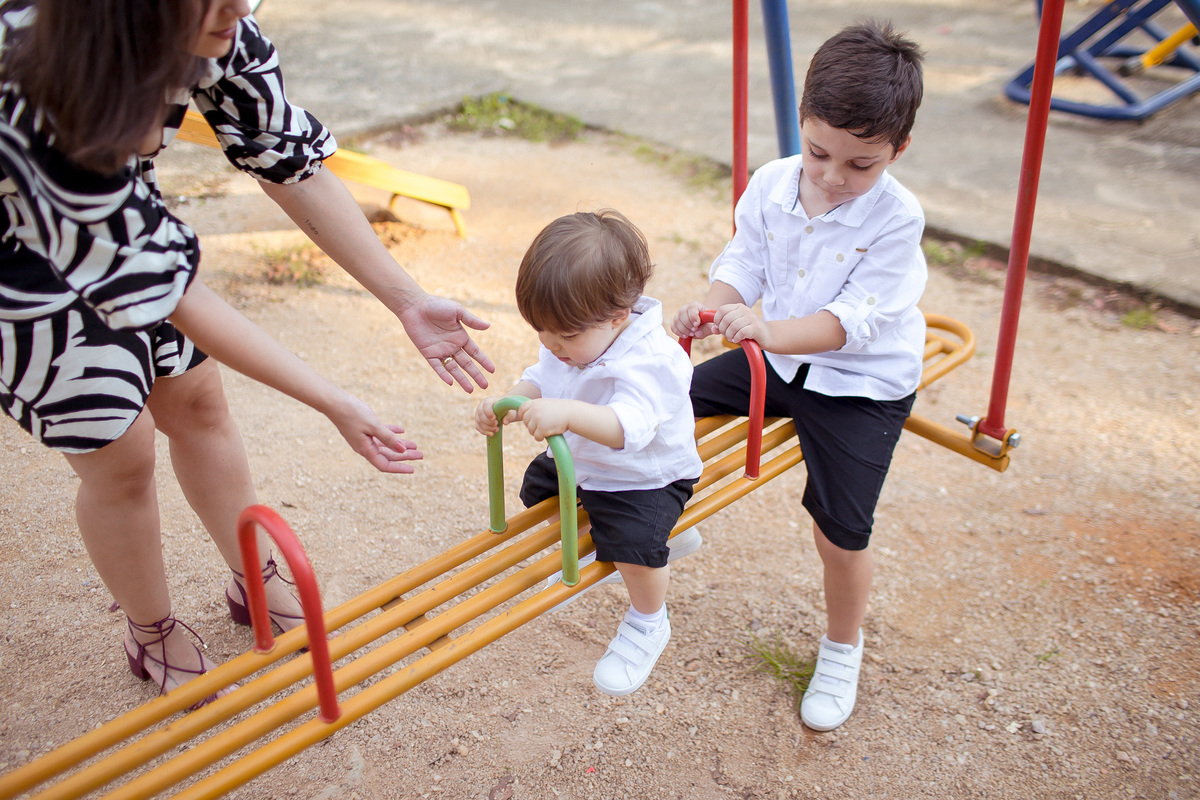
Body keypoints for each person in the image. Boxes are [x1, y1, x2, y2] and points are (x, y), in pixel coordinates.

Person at [0, 0, 494, 707]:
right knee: (120, 451)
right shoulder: (36, 81)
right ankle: (151, 628)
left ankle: (255, 579)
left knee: (198, 401)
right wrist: (333, 401)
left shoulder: (217, 22)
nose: (240, 6)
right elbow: (177, 293)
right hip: (19, 267)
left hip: (123, 213)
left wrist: (407, 300)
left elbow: (287, 159)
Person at [671, 20, 926, 731]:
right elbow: (745, 260)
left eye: (861, 164)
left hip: (860, 382)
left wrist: (766, 330)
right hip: (777, 359)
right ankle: (665, 520)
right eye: (819, 152)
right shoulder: (773, 183)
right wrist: (715, 308)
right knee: (666, 400)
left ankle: (842, 647)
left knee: (840, 530)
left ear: (898, 151)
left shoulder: (898, 219)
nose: (833, 176)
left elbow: (851, 321)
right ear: (804, 123)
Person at [475, 210, 702, 696]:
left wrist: (568, 413)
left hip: (643, 476)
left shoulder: (653, 360)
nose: (552, 345)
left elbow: (626, 429)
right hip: (586, 463)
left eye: (566, 337)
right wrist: (511, 401)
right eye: (542, 332)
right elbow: (541, 378)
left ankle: (648, 621)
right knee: (537, 490)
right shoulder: (573, 336)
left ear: (619, 316)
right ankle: (633, 544)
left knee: (635, 544)